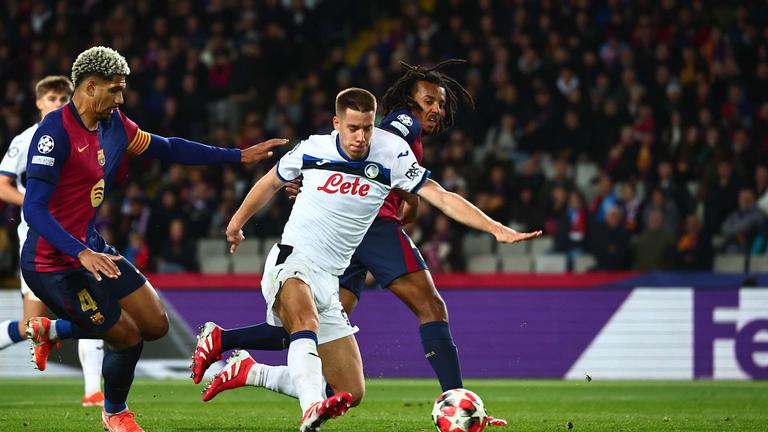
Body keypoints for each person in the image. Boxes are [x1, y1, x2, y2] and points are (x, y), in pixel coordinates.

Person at [195, 88, 536, 430]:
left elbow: (442, 197)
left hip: (330, 276)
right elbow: (270, 182)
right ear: (337, 124)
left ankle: (247, 367)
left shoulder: (391, 154)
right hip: (293, 259)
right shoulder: (313, 149)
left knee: (350, 390)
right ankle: (311, 407)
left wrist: (495, 229)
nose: (360, 137)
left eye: (367, 128)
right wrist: (236, 223)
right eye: (353, 128)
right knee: (304, 323)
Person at [21, 46, 286, 432]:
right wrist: (80, 253)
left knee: (155, 323)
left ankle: (54, 329)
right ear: (90, 88)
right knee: (126, 337)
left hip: (90, 247)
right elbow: (35, 210)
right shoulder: (54, 134)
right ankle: (115, 413)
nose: (120, 98)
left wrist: (236, 157)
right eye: (114, 90)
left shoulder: (115, 125)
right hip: (52, 264)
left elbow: (168, 147)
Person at [0, 75, 106, 407]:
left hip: (77, 238)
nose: (59, 104)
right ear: (38, 103)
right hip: (37, 240)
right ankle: (43, 333)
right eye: (52, 99)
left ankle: (93, 391)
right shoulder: (26, 139)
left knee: (94, 310)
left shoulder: (83, 135)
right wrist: (34, 202)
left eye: (63, 98)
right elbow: (2, 186)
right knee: (33, 325)